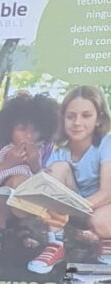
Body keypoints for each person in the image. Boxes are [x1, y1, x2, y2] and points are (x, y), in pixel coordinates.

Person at [28, 85, 111, 273]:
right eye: (71, 116)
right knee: (57, 169)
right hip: (76, 210)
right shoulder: (60, 152)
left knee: (101, 221)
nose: (77, 122)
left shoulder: (107, 144)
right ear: (63, 119)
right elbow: (47, 186)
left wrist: (70, 207)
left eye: (86, 115)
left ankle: (108, 241)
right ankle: (55, 245)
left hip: (103, 207)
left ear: (99, 119)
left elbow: (107, 192)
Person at [0, 93, 60, 252]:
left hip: (29, 207)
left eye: (35, 130)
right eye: (22, 129)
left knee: (22, 178)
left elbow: (50, 182)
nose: (29, 136)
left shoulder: (46, 148)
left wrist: (35, 164)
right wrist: (7, 164)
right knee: (14, 179)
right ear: (9, 128)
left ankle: (23, 227)